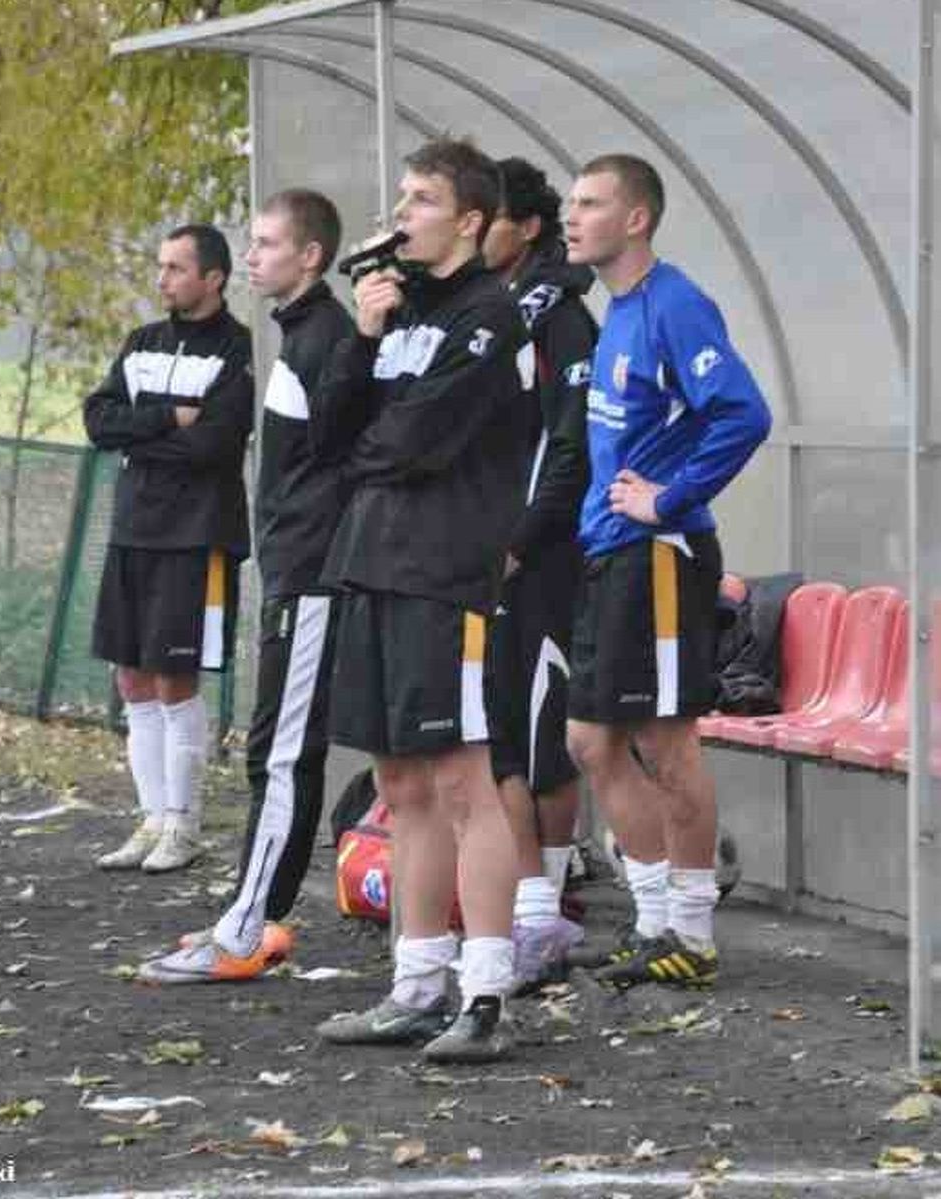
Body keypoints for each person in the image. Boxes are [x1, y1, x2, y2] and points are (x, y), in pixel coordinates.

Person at [309, 138, 528, 1063]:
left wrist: (364, 445)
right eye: (401, 195)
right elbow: (325, 432)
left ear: (470, 221)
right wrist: (360, 339)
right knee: (401, 785)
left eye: (423, 199)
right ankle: (416, 983)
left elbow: (411, 446)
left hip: (446, 574)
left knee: (463, 781)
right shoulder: (396, 313)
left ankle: (486, 994)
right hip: (371, 564)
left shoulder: (490, 319)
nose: (402, 213)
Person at [562, 154, 771, 990]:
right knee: (592, 738)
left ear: (637, 218)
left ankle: (692, 933)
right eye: (571, 201)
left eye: (591, 202)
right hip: (610, 551)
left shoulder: (675, 304)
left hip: (658, 555)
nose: (573, 216)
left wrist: (672, 497)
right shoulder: (616, 311)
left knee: (664, 740)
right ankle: (653, 921)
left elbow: (744, 412)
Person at [139, 189, 357, 983]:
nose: (253, 255)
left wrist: (312, 561)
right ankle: (248, 914)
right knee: (272, 750)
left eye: (266, 243)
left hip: (314, 578)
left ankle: (246, 927)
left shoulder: (329, 336)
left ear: (310, 257)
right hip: (292, 572)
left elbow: (340, 458)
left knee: (283, 753)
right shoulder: (301, 334)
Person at [84, 224, 254, 874]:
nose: (164, 280)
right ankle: (152, 818)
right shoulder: (142, 342)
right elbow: (99, 421)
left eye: (177, 268)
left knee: (173, 678)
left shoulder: (238, 352)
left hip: (196, 536)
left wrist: (142, 432)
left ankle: (184, 825)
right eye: (161, 267)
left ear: (213, 277)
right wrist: (165, 416)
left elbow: (213, 444)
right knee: (130, 678)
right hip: (133, 529)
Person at [478, 157, 598, 992]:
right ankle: (530, 906)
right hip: (481, 563)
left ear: (524, 227)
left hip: (543, 563)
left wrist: (520, 539)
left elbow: (571, 448)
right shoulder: (488, 314)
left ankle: (541, 908)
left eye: (485, 215)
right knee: (495, 740)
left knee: (541, 738)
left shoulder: (563, 321)